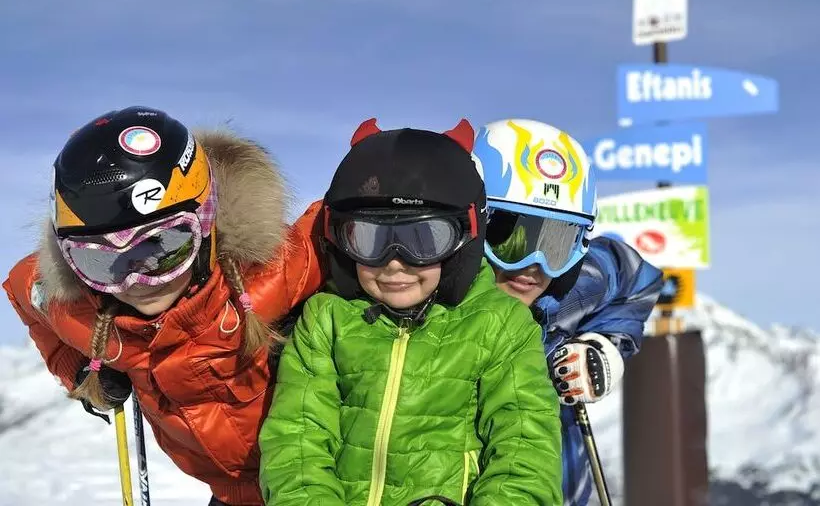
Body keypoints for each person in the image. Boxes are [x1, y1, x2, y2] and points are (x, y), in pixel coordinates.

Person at [3, 107, 325, 506]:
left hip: (323, 485)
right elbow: (26, 292)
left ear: (207, 224)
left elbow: (344, 221)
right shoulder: (86, 309)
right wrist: (78, 369)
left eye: (163, 247)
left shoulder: (274, 272)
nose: (136, 280)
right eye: (101, 261)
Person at [258, 118, 563, 506]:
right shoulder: (327, 320)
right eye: (368, 239)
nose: (394, 263)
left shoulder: (501, 326)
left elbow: (525, 448)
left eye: (423, 239)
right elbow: (297, 440)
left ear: (462, 242)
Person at [472, 119, 663, 505]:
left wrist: (604, 346)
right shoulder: (433, 312)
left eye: (558, 244)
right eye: (510, 237)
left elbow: (634, 276)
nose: (534, 265)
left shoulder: (561, 297)